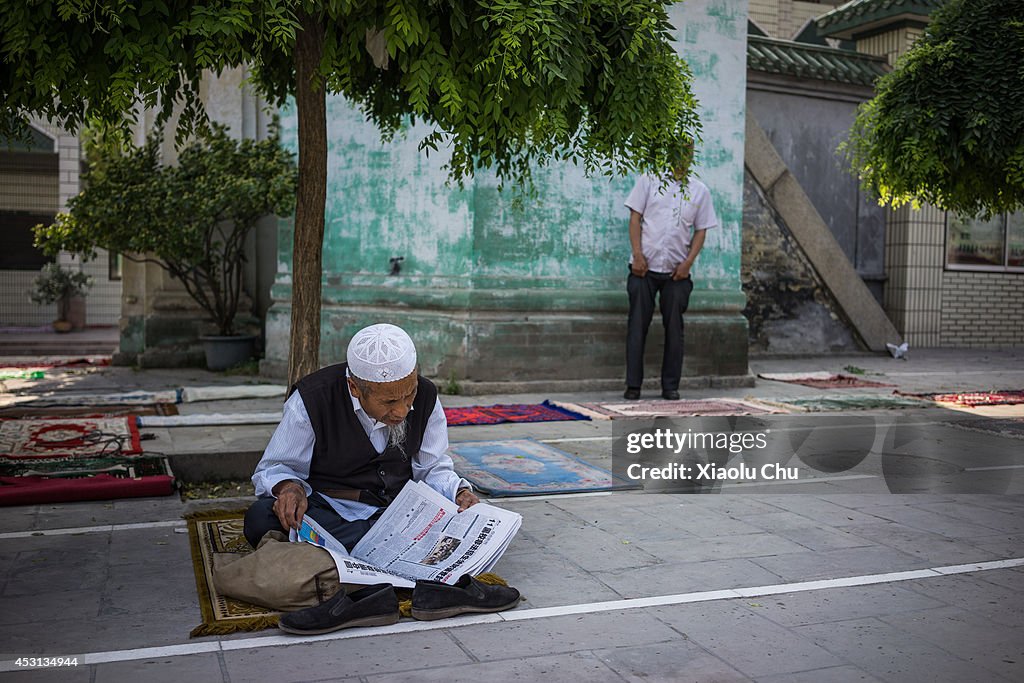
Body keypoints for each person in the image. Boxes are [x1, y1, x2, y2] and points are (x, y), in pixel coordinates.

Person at [243, 322, 480, 551]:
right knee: (261, 518)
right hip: (332, 511)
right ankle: (387, 546)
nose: (403, 410)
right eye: (389, 401)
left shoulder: (426, 396)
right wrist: (289, 487)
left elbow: (432, 468)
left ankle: (367, 547)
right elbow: (275, 467)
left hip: (396, 512)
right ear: (355, 388)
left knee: (461, 520)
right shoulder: (313, 400)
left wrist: (458, 492)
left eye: (410, 394)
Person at [623, 140, 718, 401]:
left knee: (675, 328)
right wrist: (638, 254)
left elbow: (701, 230)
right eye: (678, 152)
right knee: (637, 326)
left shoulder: (699, 191)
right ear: (669, 152)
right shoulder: (649, 180)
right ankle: (633, 386)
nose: (683, 158)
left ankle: (670, 386)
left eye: (688, 153)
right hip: (644, 268)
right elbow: (635, 218)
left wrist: (688, 263)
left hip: (677, 273)